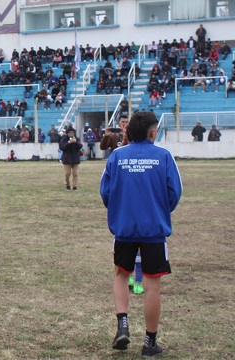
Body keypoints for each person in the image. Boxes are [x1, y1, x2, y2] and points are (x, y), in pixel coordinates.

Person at [100, 111, 182, 357]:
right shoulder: (164, 156)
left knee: (121, 274)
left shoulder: (117, 157)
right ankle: (150, 343)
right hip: (153, 230)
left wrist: (120, 210)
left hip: (124, 229)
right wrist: (157, 209)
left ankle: (122, 324)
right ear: (153, 133)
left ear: (128, 132)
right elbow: (174, 192)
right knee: (152, 285)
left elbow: (105, 192)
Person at [59, 126, 82, 191]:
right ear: (67, 133)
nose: (71, 134)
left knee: (75, 173)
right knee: (67, 173)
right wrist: (68, 143)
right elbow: (62, 147)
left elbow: (80, 146)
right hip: (67, 159)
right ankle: (67, 185)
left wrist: (76, 142)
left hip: (75, 159)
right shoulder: (64, 139)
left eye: (72, 133)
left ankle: (75, 186)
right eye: (70, 133)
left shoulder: (77, 139)